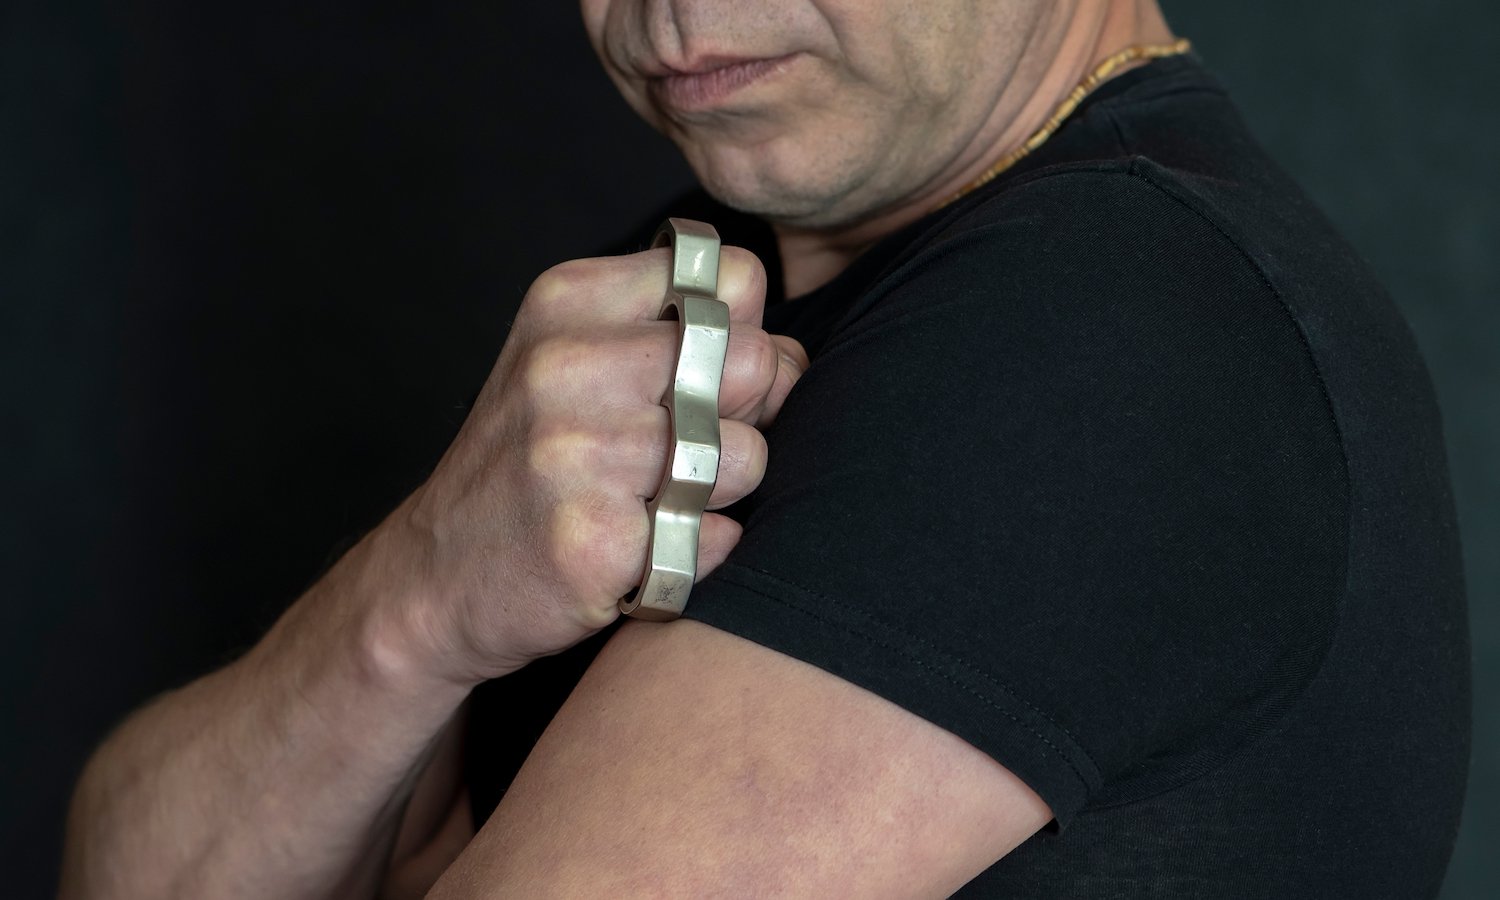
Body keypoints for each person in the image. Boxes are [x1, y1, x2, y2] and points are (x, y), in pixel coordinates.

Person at [60, 0, 1470, 897]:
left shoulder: (1110, 315)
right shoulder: (698, 271)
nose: (672, 10)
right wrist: (416, 597)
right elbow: (126, 869)